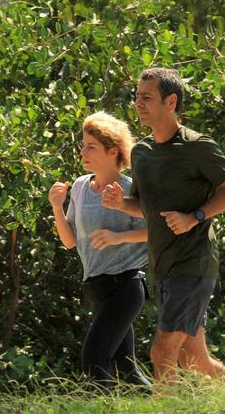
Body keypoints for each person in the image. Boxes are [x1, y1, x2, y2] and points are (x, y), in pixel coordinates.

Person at [102, 68, 225, 385]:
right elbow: (144, 206)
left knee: (162, 351)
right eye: (137, 96)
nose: (138, 103)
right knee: (194, 359)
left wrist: (195, 216)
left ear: (171, 101)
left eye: (147, 97)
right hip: (163, 266)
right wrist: (120, 204)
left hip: (194, 263)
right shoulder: (141, 153)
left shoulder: (197, 146)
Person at [48, 111, 151, 389]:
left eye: (91, 147)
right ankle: (164, 405)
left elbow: (158, 232)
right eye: (83, 145)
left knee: (93, 359)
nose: (83, 152)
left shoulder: (130, 189)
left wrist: (119, 238)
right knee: (127, 369)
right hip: (97, 289)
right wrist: (57, 206)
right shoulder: (80, 186)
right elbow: (70, 241)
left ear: (112, 151)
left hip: (126, 286)